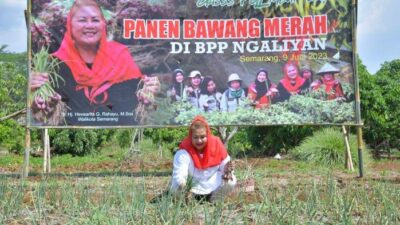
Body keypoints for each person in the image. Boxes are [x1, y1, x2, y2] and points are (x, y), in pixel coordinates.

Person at [29, 0, 158, 126]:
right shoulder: (54, 64)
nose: (90, 26)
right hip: (69, 138)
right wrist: (34, 95)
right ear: (70, 25)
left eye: (95, 20)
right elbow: (43, 115)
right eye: (82, 20)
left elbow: (139, 105)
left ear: (103, 25)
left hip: (117, 136)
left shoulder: (120, 55)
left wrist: (149, 91)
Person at [170, 115, 236, 202]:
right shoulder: (183, 152)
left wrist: (228, 170)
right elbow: (179, 175)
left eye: (202, 137)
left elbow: (225, 166)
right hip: (190, 185)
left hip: (212, 182)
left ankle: (214, 200)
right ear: (191, 137)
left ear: (208, 135)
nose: (199, 141)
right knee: (176, 185)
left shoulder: (217, 145)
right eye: (195, 137)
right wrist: (184, 188)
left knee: (231, 181)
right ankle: (187, 201)